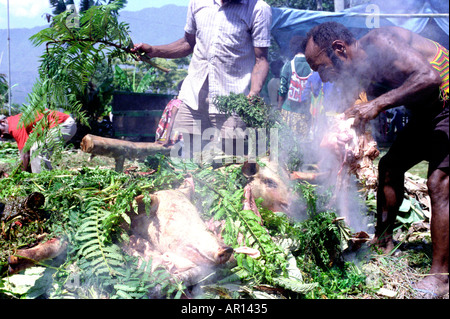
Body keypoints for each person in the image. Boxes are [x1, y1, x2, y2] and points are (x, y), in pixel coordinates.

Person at [303, 21, 449, 298]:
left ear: (339, 49)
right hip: (428, 115)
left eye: (321, 68)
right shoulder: (360, 72)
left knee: (439, 182)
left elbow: (430, 79)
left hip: (447, 101)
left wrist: (377, 104)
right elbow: (365, 103)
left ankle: (441, 277)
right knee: (389, 167)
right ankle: (383, 242)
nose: (323, 78)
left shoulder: (381, 42)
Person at [131, 0, 272, 159]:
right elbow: (187, 43)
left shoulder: (258, 9)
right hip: (193, 98)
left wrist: (253, 93)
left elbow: (261, 60)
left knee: (230, 162)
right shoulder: (198, 2)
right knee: (183, 159)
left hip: (232, 102)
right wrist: (154, 50)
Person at [0, 110, 77, 173]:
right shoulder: (15, 121)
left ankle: (43, 181)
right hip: (59, 125)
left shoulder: (14, 126)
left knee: (37, 150)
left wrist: (22, 176)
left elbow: (25, 154)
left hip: (64, 124)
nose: (2, 136)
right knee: (34, 150)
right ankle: (46, 177)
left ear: (3, 122)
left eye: (0, 132)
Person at [278, 36, 313, 137]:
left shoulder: (288, 65)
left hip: (288, 111)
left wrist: (279, 107)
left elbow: (282, 89)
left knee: (287, 144)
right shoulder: (312, 66)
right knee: (302, 146)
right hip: (305, 113)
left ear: (292, 48)